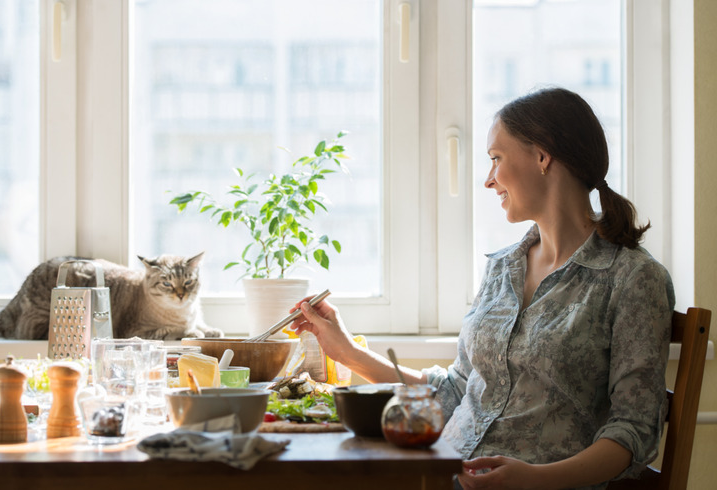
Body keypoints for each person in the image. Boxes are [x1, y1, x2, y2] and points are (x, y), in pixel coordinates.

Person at [289, 87, 675, 490]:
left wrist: (535, 480)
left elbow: (635, 430)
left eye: (496, 159)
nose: (489, 180)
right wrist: (348, 352)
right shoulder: (502, 268)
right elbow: (458, 389)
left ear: (543, 157)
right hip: (440, 478)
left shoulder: (632, 279)